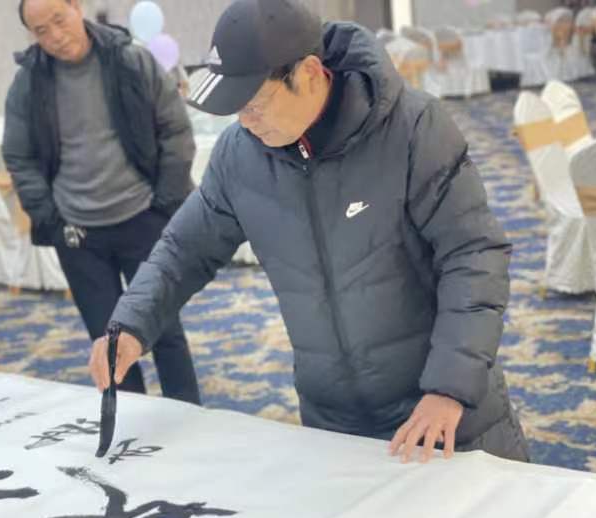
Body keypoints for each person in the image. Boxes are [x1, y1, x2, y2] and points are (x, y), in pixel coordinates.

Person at [90, 0, 531, 464]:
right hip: (333, 419)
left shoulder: (413, 129)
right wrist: (132, 324)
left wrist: (449, 387)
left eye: (255, 104)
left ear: (309, 73)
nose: (245, 123)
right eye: (236, 110)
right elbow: (184, 249)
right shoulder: (240, 157)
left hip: (442, 410)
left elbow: (473, 254)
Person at [3, 0, 200, 404]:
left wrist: (165, 202)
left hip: (143, 216)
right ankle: (129, 420)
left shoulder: (131, 61)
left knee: (165, 329)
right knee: (107, 339)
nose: (55, 37)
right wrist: (49, 218)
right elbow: (19, 157)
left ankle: (187, 412)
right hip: (78, 234)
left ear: (77, 7)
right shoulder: (29, 82)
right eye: (41, 31)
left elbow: (176, 130)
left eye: (59, 20)